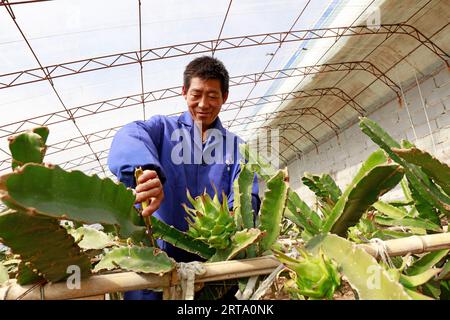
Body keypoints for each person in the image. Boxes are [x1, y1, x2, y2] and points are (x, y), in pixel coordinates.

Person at [107, 56, 260, 300]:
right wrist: (145, 170)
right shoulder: (161, 129)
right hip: (156, 262)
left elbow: (247, 194)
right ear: (184, 92)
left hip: (215, 268)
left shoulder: (236, 148)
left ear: (224, 98)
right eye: (196, 94)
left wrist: (232, 220)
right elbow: (129, 134)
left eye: (213, 96)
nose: (203, 104)